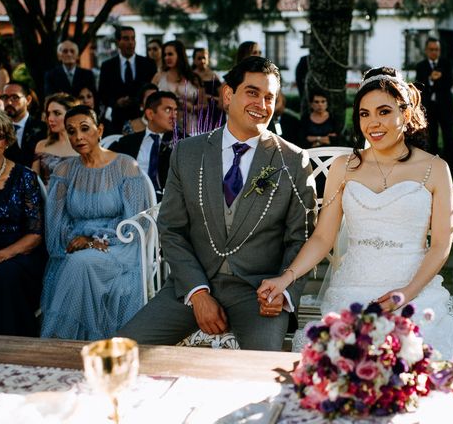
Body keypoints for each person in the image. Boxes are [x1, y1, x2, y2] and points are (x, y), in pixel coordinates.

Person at [258, 67, 453, 358]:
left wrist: (405, 293)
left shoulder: (435, 169)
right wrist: (285, 278)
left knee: (411, 362)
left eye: (383, 111)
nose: (373, 123)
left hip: (413, 288)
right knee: (343, 363)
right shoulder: (344, 167)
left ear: (405, 115)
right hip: (353, 289)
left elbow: (442, 244)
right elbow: (322, 238)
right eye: (364, 114)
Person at [118, 56, 316, 350]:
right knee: (122, 350)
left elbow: (301, 238)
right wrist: (198, 293)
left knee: (260, 375)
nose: (261, 104)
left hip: (259, 294)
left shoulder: (292, 160)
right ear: (227, 94)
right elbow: (172, 229)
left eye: (269, 97)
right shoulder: (187, 153)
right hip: (191, 286)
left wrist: (284, 291)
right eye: (252, 92)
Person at [40, 105, 152, 340]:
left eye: (84, 128)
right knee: (75, 262)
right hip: (75, 245)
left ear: (99, 129)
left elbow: (135, 224)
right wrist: (73, 241)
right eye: (71, 131)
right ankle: (71, 343)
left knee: (80, 263)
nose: (78, 137)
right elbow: (55, 222)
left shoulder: (125, 165)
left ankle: (60, 340)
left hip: (119, 246)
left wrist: (95, 241)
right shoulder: (64, 170)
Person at [0, 108, 46, 336]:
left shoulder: (24, 177)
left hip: (18, 252)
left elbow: (35, 235)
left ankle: (8, 346)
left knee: (3, 276)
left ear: (7, 141)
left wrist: (0, 255)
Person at [110, 91, 178, 202]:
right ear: (150, 114)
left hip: (166, 203)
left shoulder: (181, 142)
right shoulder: (128, 142)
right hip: (130, 198)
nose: (173, 116)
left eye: (175, 111)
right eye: (168, 110)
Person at [414, 37, 453, 180]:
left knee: (450, 139)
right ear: (426, 50)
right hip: (430, 108)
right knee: (432, 139)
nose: (435, 52)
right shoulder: (421, 66)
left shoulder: (446, 64)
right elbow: (419, 86)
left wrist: (438, 80)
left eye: (437, 50)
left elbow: (450, 83)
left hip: (445, 107)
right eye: (432, 49)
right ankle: (432, 172)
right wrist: (430, 79)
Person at [98, 26, 157, 134]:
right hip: (117, 120)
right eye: (126, 39)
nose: (130, 42)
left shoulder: (148, 64)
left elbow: (152, 90)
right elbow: (102, 93)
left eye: (133, 38)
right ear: (118, 42)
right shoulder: (107, 66)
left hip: (142, 120)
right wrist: (116, 102)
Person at [153, 40, 202, 136]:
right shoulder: (158, 77)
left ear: (180, 55)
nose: (167, 58)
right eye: (165, 55)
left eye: (170, 54)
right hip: (164, 126)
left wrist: (190, 107)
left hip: (190, 125)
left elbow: (204, 105)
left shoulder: (194, 78)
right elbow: (150, 101)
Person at [31, 93, 78, 185]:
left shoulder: (85, 146)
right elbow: (33, 183)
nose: (50, 118)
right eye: (49, 114)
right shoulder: (41, 145)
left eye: (57, 113)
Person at [2, 81, 47, 167]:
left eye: (15, 97)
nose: (9, 102)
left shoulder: (42, 128)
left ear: (28, 100)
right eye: (5, 97)